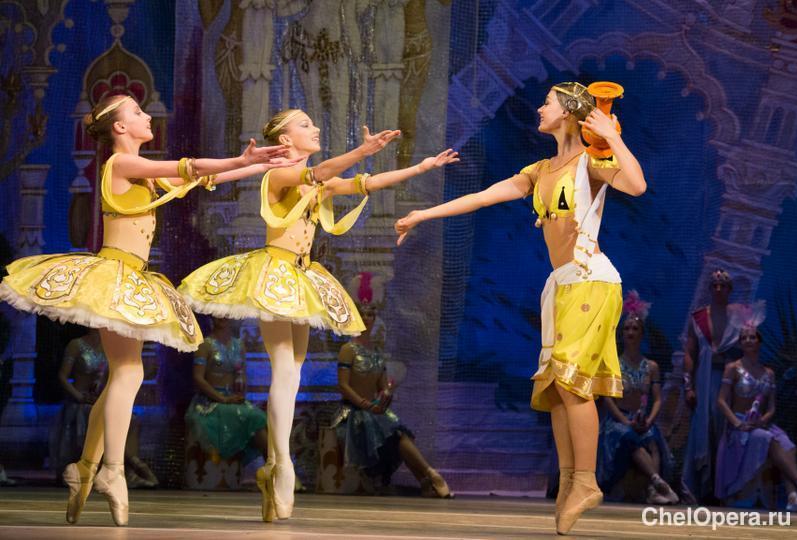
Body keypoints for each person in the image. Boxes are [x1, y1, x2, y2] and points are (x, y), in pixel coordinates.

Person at [0, 93, 298, 526]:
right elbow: (190, 167)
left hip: (133, 278)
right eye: (137, 112)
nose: (147, 116)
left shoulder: (141, 171)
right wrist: (239, 158)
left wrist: (254, 164)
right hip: (114, 277)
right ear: (120, 128)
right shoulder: (121, 163)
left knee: (123, 377)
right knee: (129, 373)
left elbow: (200, 177)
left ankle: (86, 467)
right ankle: (112, 470)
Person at [179, 108, 458, 522]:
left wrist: (421, 167)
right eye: (305, 125)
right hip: (275, 274)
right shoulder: (279, 174)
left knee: (293, 373)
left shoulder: (317, 181)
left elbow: (365, 183)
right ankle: (281, 464)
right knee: (284, 370)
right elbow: (321, 172)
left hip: (302, 276)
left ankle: (276, 464)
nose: (316, 129)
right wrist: (362, 150)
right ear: (285, 139)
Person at [396, 82, 646, 534]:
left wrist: (612, 136)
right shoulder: (540, 170)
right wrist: (423, 215)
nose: (539, 108)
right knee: (555, 388)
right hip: (562, 285)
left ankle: (586, 481)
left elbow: (636, 184)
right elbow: (483, 196)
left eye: (548, 102)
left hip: (591, 278)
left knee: (572, 383)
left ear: (568, 112)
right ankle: (569, 481)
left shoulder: (591, 161)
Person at [332, 272, 452, 497]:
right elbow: (344, 386)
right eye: (362, 313)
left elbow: (382, 386)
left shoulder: (376, 351)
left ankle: (427, 480)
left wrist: (387, 392)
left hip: (374, 412)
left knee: (397, 432)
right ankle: (430, 476)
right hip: (353, 414)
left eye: (370, 313)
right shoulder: (348, 350)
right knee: (394, 434)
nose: (367, 317)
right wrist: (366, 405)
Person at [715, 305, 797, 511]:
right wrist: (737, 423)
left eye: (752, 337)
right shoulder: (733, 368)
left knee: (788, 444)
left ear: (759, 341)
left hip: (760, 424)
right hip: (739, 425)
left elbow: (771, 407)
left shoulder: (769, 372)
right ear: (740, 343)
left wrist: (763, 420)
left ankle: (793, 495)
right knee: (767, 439)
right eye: (744, 338)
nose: (748, 341)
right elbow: (721, 401)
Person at [50, 329, 158, 488]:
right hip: (80, 403)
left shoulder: (109, 345)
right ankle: (134, 467)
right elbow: (62, 377)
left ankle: (128, 470)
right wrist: (79, 397)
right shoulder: (76, 344)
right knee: (102, 420)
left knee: (131, 419)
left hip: (101, 400)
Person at [597, 291, 676, 503]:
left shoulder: (651, 366)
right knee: (631, 438)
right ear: (622, 334)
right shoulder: (612, 364)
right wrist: (625, 421)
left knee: (652, 440)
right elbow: (607, 399)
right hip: (618, 421)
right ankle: (659, 484)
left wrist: (649, 420)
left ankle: (653, 490)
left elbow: (657, 399)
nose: (630, 332)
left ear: (642, 334)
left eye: (635, 328)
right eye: (627, 328)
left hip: (641, 419)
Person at [682, 269, 744, 502]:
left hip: (729, 382)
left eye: (723, 285)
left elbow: (747, 349)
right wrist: (688, 386)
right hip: (704, 380)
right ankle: (699, 487)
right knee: (703, 428)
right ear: (710, 289)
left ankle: (724, 488)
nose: (718, 289)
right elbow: (690, 352)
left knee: (725, 429)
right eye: (715, 285)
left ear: (729, 289)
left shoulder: (738, 317)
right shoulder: (698, 317)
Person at [185, 318, 268, 465]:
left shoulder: (239, 345)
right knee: (254, 417)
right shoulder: (205, 344)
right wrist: (222, 399)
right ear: (211, 315)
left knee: (261, 418)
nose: (222, 317)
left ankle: (274, 465)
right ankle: (275, 466)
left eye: (225, 314)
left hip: (232, 400)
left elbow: (242, 375)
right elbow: (198, 378)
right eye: (218, 314)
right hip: (209, 403)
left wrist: (239, 395)